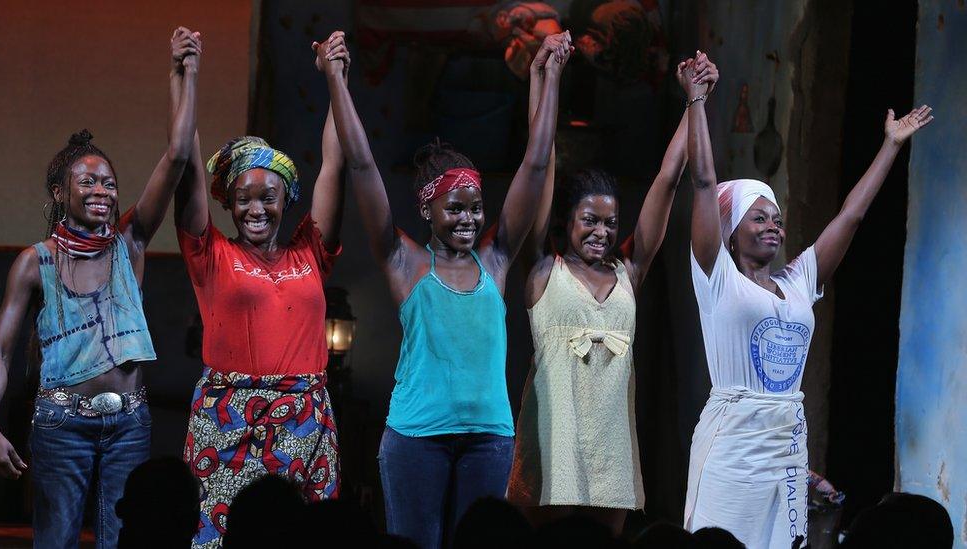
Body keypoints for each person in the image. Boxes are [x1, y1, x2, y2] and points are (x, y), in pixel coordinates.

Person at [322, 28, 571, 549]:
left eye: (475, 207)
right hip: (416, 438)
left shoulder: (496, 258)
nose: (468, 218)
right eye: (454, 209)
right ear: (426, 210)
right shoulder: (403, 260)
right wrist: (336, 78)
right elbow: (363, 165)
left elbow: (538, 162)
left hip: (489, 439)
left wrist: (550, 80)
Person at [683, 46, 933, 546]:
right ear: (731, 231)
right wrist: (696, 103)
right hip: (732, 442)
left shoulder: (797, 282)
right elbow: (705, 181)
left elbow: (851, 217)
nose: (773, 225)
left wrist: (890, 147)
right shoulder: (718, 278)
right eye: (759, 217)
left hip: (786, 440)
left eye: (777, 217)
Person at [0, 27, 201, 548]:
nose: (102, 190)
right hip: (60, 425)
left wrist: (184, 73)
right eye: (87, 182)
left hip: (128, 424)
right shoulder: (34, 263)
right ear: (61, 194)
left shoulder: (129, 242)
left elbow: (177, 155)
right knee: (55, 539)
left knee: (125, 540)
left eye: (108, 181)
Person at [508, 51, 717, 535]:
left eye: (610, 223)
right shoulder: (543, 268)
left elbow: (667, 180)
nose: (601, 232)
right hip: (552, 446)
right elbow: (540, 165)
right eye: (590, 220)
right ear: (566, 222)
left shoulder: (630, 273)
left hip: (611, 452)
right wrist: (548, 79)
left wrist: (696, 100)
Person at [173, 32, 348, 548]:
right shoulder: (211, 254)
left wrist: (335, 76)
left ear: (286, 198)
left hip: (304, 417)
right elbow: (184, 160)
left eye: (268, 197)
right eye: (243, 198)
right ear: (227, 203)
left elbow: (335, 164)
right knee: (215, 541)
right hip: (226, 418)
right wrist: (188, 75)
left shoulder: (309, 251)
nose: (256, 208)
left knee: (300, 540)